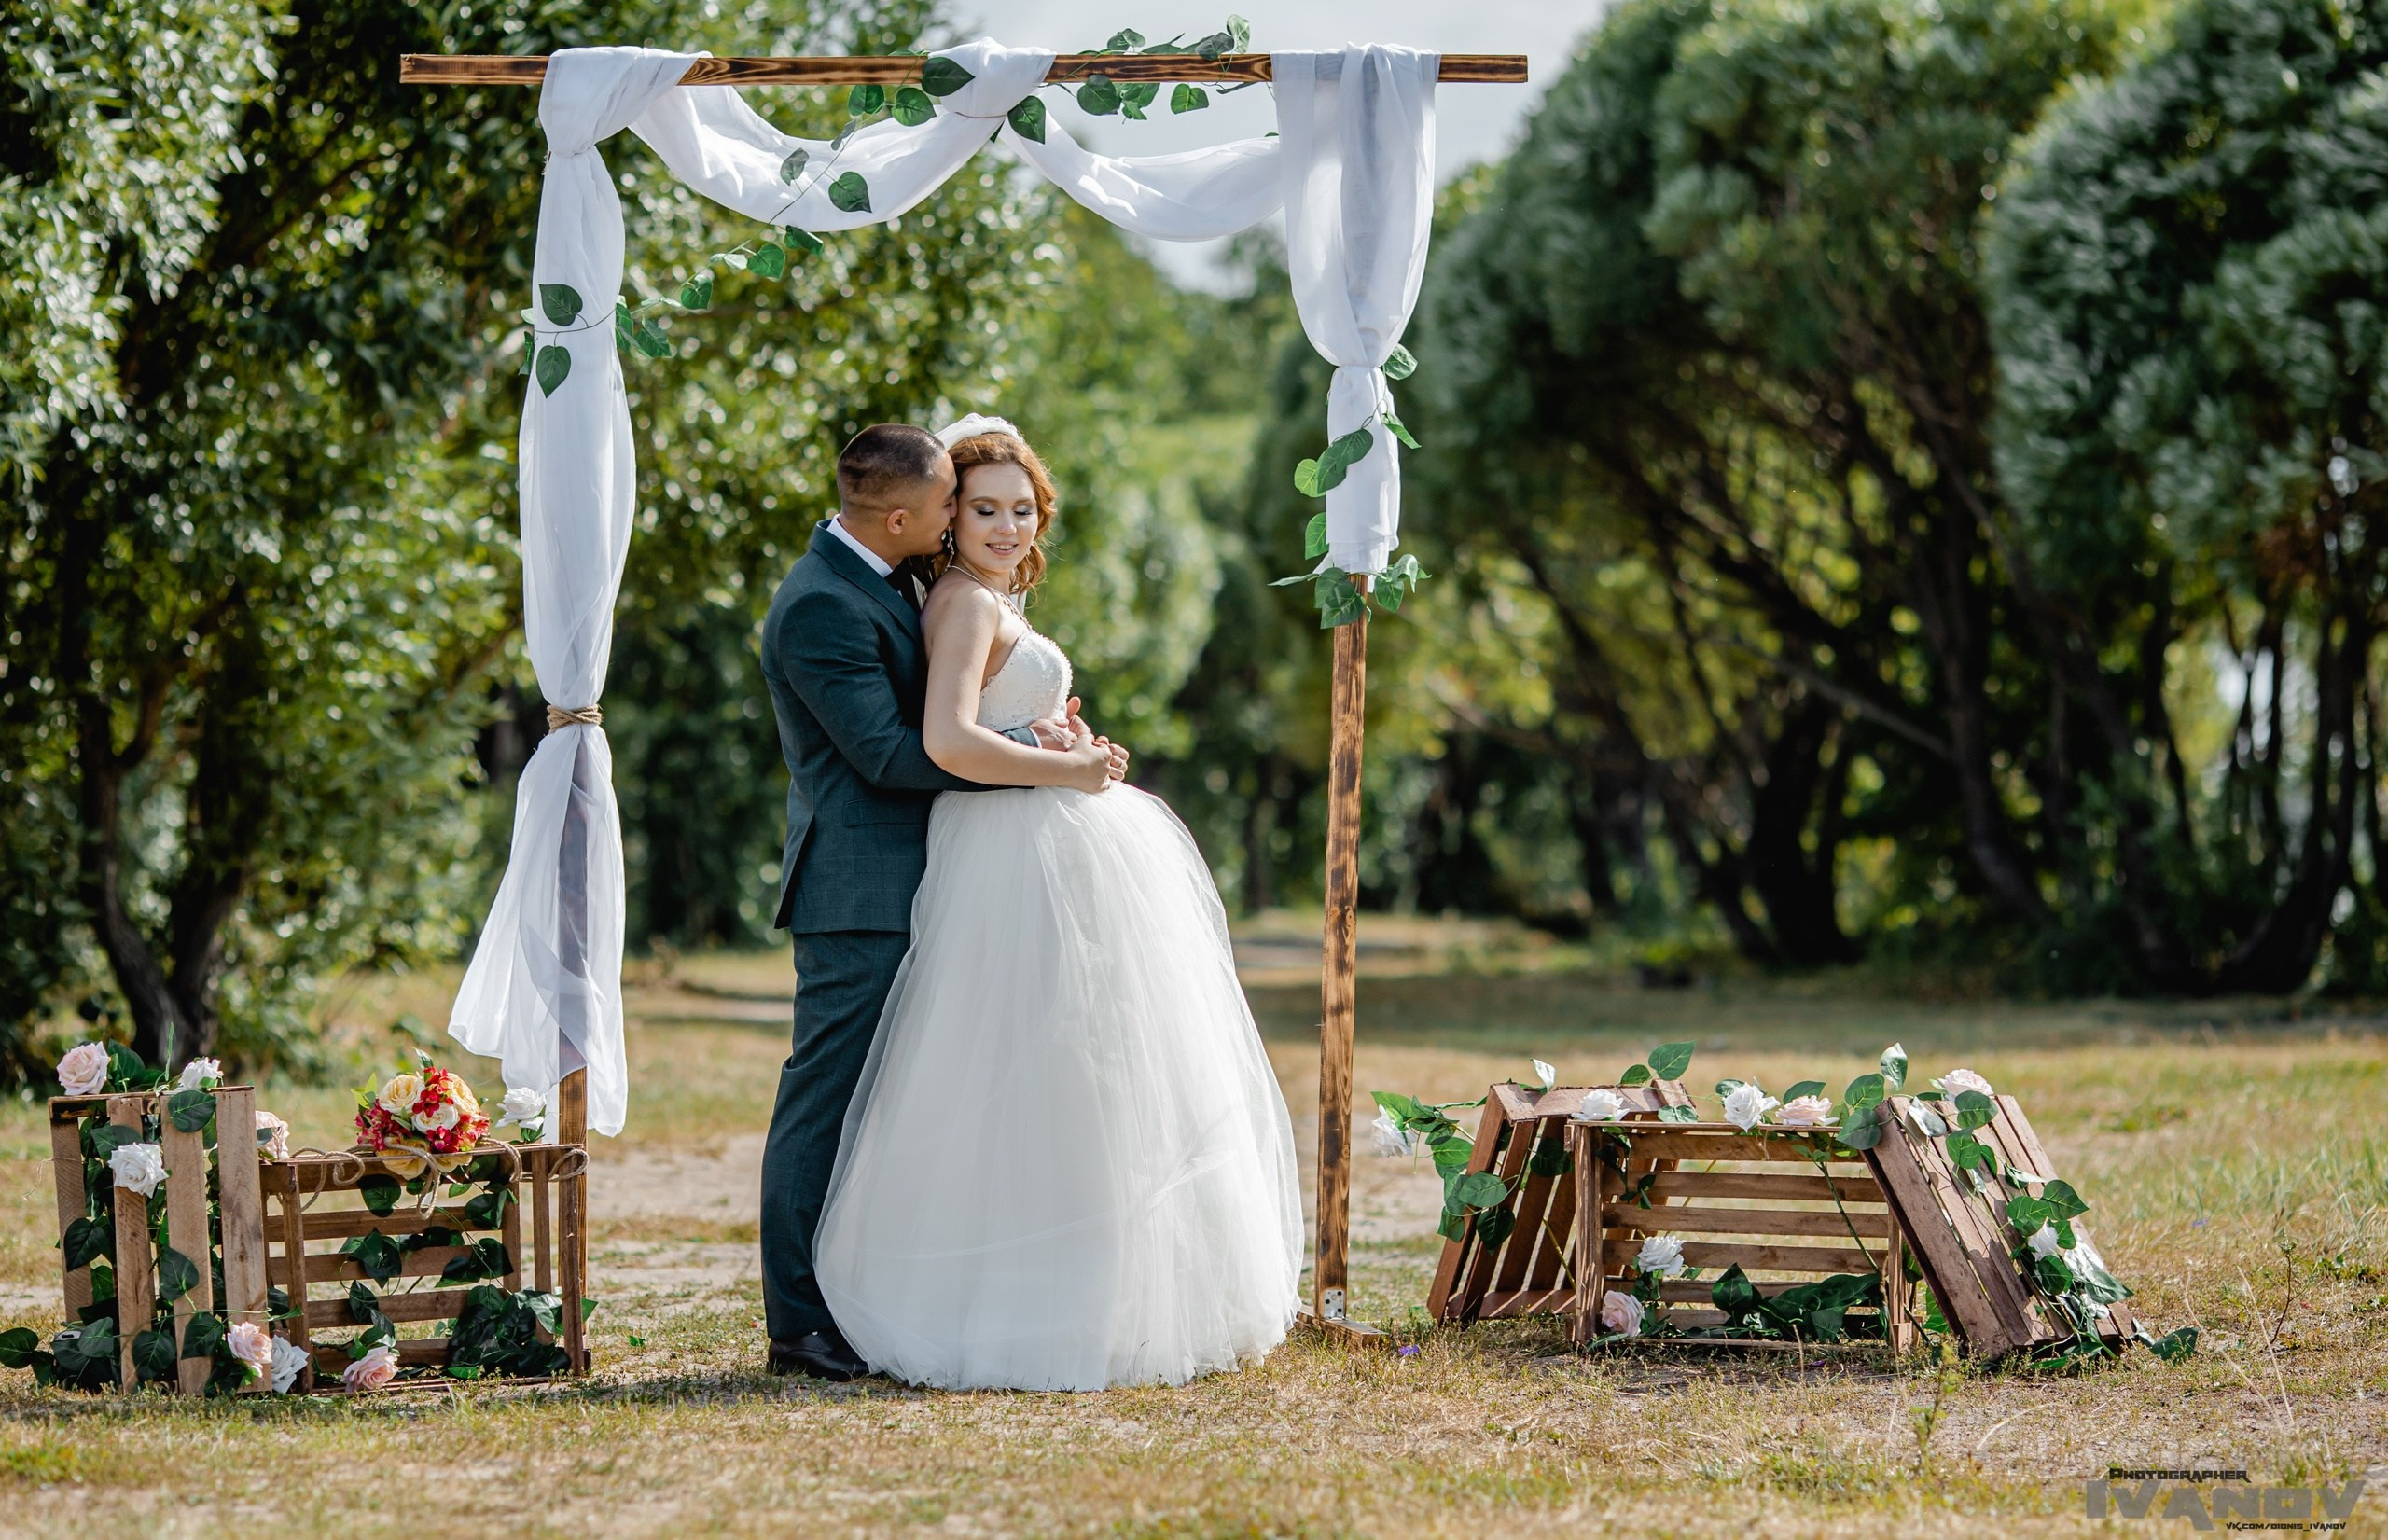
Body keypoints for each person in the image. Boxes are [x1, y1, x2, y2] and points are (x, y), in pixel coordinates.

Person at [812, 415, 1302, 1391]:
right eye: (983, 508)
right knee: (1022, 1063)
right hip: (1005, 847)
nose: (1003, 525)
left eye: (1020, 509)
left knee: (1084, 1064)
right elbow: (948, 743)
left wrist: (1057, 742)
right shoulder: (961, 603)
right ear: (948, 521)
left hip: (1037, 839)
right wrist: (1062, 766)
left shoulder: (989, 597)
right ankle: (1026, 1295)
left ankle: (1100, 1285)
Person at [757, 423, 1123, 1382]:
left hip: (927, 872)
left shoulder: (881, 582)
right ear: (901, 515)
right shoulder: (819, 607)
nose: (959, 523)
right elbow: (888, 751)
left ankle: (873, 1294)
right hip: (857, 887)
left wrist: (1027, 728)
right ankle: (797, 1323)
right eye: (948, 509)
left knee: (906, 1100)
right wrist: (1049, 760)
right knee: (826, 1102)